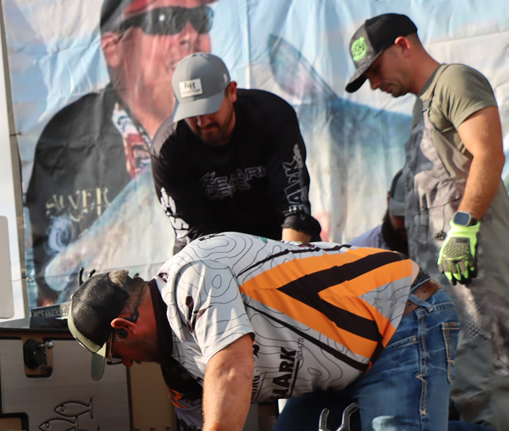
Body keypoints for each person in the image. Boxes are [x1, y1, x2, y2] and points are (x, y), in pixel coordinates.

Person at [67, 232, 497, 431]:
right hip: (349, 363)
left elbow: (230, 368)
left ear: (124, 327)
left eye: (113, 354)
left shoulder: (190, 276)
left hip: (398, 317)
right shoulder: (176, 367)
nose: (122, 365)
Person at [346, 13, 509, 431]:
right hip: (445, 287)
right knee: (460, 393)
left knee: (488, 387)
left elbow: (489, 152)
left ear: (403, 45)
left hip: (475, 275)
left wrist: (464, 225)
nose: (375, 84)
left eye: (375, 70)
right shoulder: (423, 107)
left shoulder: (455, 81)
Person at [25, 0, 216, 304]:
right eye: (167, 20)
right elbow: (50, 284)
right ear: (113, 47)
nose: (189, 35)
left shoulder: (235, 123)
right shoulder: (67, 135)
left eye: (201, 18)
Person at [151, 53, 321, 253]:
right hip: (211, 254)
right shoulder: (168, 149)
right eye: (191, 113)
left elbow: (294, 211)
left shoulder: (273, 117)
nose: (202, 122)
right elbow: (195, 236)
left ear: (231, 92)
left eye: (208, 109)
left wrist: (288, 268)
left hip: (279, 242)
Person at [348, 168, 408, 255]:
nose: (408, 224)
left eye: (418, 217)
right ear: (388, 200)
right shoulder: (358, 254)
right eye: (401, 215)